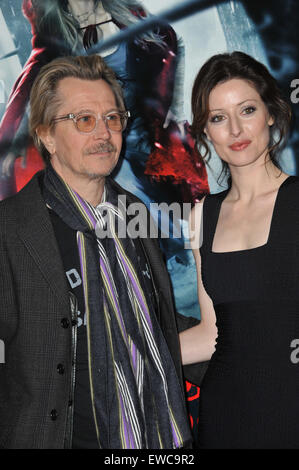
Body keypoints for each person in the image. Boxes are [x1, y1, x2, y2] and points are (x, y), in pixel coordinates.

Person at [0, 54, 192, 449]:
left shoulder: (135, 213)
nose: (104, 133)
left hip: (161, 438)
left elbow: (156, 322)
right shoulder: (12, 228)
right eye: (83, 120)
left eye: (113, 118)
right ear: (47, 135)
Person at [179, 51, 299, 449]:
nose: (234, 129)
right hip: (225, 416)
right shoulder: (202, 217)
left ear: (270, 112)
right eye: (217, 117)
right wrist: (119, 353)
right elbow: (212, 334)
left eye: (246, 110)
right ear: (206, 131)